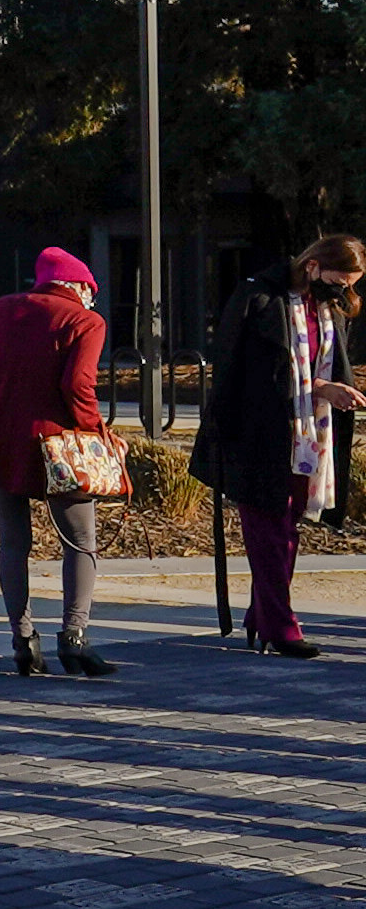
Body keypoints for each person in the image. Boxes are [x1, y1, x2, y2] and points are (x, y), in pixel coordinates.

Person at [190, 235, 366, 658]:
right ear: (313, 265)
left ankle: (262, 615)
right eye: (339, 280)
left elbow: (324, 362)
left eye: (350, 284)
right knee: (268, 529)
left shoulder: (327, 309)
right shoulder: (261, 298)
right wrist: (322, 388)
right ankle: (280, 625)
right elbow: (242, 370)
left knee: (287, 528)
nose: (343, 291)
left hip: (309, 435)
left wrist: (332, 390)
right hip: (259, 431)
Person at [0, 247, 114, 678]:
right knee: (81, 541)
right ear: (80, 286)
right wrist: (97, 433)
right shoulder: (85, 321)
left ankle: (23, 639)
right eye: (91, 292)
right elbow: (78, 385)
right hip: (59, 444)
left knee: (13, 543)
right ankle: (75, 638)